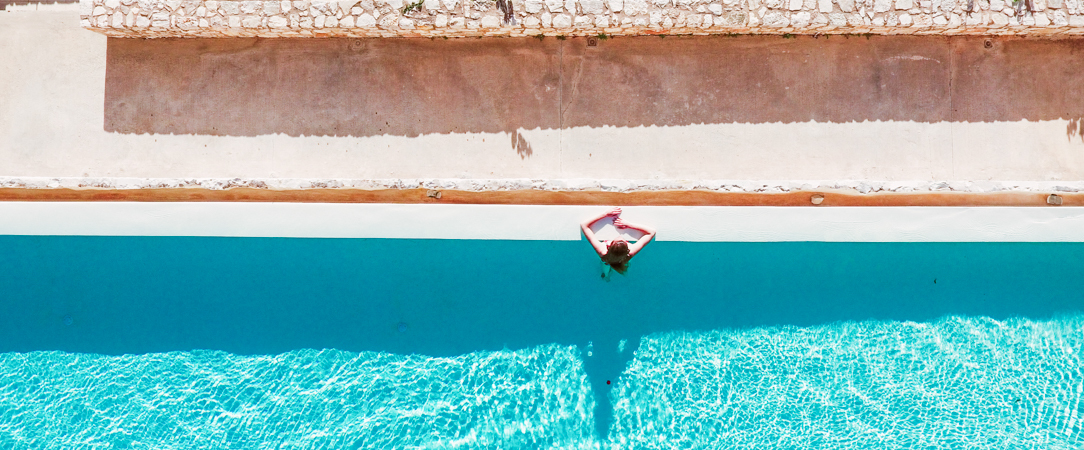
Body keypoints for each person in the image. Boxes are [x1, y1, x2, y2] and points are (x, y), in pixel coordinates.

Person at [580, 207, 656, 275]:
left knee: (606, 265)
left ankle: (606, 275)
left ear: (608, 246)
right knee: (614, 265)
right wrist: (629, 225)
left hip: (607, 260)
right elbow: (651, 232)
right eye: (624, 241)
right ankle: (607, 274)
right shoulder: (631, 251)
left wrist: (605, 214)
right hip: (621, 260)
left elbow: (584, 225)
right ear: (628, 250)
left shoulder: (602, 250)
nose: (620, 236)